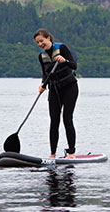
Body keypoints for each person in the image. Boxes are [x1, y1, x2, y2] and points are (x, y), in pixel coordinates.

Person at [34, 29, 78, 159]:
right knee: (54, 121)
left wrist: (64, 60)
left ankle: (71, 153)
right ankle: (52, 154)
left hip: (70, 87)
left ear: (49, 38)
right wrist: (43, 85)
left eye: (41, 41)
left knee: (67, 119)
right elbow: (45, 74)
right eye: (37, 42)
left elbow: (74, 65)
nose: (40, 44)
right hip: (54, 89)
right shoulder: (41, 56)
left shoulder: (62, 48)